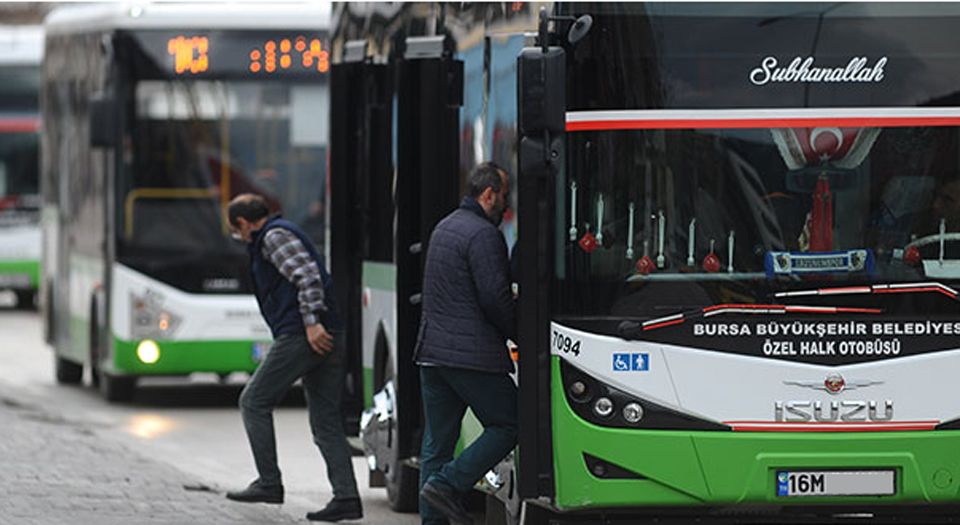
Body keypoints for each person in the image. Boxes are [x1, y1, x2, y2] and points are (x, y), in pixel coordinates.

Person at [224, 193, 361, 523]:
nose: (238, 236)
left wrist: (312, 322)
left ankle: (269, 482)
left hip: (303, 334)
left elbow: (307, 276)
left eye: (236, 230)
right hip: (325, 332)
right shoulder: (279, 233)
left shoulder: (273, 236)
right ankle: (346, 498)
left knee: (253, 401)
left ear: (244, 223)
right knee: (325, 421)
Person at [414, 162, 518, 525]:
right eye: (504, 196)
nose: (506, 205)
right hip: (470, 357)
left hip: (432, 355)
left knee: (436, 445)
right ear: (488, 194)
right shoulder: (483, 235)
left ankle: (433, 519)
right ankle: (447, 485)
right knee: (511, 422)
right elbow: (494, 298)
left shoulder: (445, 227)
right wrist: (519, 332)